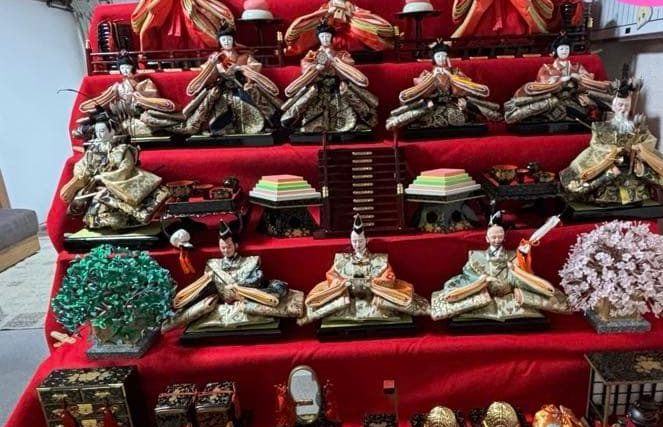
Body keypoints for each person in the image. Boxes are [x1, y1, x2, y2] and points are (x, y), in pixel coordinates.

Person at [164, 220, 304, 333]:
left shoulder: (250, 261)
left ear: (236, 245)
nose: (226, 250)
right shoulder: (213, 264)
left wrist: (241, 286)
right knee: (203, 308)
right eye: (223, 247)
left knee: (266, 306)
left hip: (246, 300)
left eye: (229, 247)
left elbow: (258, 279)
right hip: (221, 303)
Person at [560, 76, 663, 206]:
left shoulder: (637, 127)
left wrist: (638, 148)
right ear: (614, 107)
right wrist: (613, 151)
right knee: (587, 175)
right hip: (609, 165)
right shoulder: (601, 127)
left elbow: (648, 141)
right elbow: (596, 145)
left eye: (626, 106)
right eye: (620, 105)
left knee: (641, 174)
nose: (623, 109)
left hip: (631, 167)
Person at [430, 214, 569, 323]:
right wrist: (480, 280)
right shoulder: (476, 256)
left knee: (540, 298)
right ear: (487, 239)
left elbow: (525, 275)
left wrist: (517, 268)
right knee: (455, 296)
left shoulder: (512, 255)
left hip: (509, 296)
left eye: (499, 237)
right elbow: (467, 272)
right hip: (484, 292)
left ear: (504, 238)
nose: (497, 240)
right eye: (493, 237)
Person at [302, 214, 429, 326]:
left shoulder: (379, 260)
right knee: (333, 307)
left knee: (391, 306)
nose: (357, 245)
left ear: (366, 240)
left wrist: (375, 282)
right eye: (354, 241)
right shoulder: (342, 260)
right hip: (349, 299)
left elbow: (389, 276)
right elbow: (331, 274)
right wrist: (341, 283)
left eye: (360, 241)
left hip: (373, 299)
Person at [59, 115, 169, 232]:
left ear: (112, 131)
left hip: (118, 183)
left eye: (102, 131)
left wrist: (103, 177)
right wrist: (80, 175)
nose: (100, 134)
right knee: (89, 204)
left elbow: (125, 169)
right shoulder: (93, 150)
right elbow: (83, 164)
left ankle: (130, 219)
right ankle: (103, 222)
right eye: (97, 132)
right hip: (97, 185)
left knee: (117, 203)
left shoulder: (123, 149)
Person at [180, 23, 281, 136]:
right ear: (219, 41)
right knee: (212, 99)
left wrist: (240, 68)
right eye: (223, 40)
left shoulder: (244, 56)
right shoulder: (216, 57)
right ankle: (199, 125)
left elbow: (256, 65)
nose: (226, 42)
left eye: (229, 39)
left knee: (254, 96)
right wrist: (213, 65)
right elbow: (206, 71)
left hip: (240, 86)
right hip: (222, 88)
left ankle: (270, 123)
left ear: (233, 41)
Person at [280, 23, 379, 135]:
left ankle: (360, 119)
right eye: (322, 36)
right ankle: (298, 120)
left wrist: (334, 60)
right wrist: (316, 68)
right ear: (318, 38)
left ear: (332, 37)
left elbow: (349, 67)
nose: (325, 39)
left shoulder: (341, 54)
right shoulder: (312, 55)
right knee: (310, 99)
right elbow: (305, 66)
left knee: (347, 97)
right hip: (319, 87)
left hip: (337, 86)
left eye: (328, 36)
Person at [503, 35, 616, 128]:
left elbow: (587, 79)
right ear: (556, 51)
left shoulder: (576, 66)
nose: (564, 51)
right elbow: (543, 81)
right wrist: (560, 80)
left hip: (574, 97)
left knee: (591, 104)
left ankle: (604, 117)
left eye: (566, 48)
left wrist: (578, 78)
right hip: (555, 96)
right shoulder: (547, 68)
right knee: (551, 103)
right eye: (561, 49)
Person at [386, 42, 500, 131]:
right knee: (422, 115)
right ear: (434, 59)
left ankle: (495, 116)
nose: (442, 59)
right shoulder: (427, 74)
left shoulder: (455, 72)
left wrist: (452, 76)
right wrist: (431, 82)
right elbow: (421, 90)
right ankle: (395, 122)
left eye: (444, 56)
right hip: (433, 104)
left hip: (453, 103)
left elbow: (466, 86)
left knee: (466, 112)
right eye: (439, 56)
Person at [74, 54, 183, 139]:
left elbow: (154, 97)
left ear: (133, 68)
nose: (125, 70)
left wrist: (139, 98)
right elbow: (102, 101)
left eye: (127, 67)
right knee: (104, 122)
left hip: (140, 115)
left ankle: (177, 126)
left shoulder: (144, 83)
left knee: (152, 120)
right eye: (122, 68)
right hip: (121, 117)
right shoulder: (117, 87)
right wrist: (98, 106)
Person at [284, 0, 394, 55]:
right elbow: (319, 17)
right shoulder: (327, 6)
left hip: (349, 30)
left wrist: (349, 14)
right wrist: (328, 13)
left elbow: (358, 14)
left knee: (361, 37)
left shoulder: (349, 4)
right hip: (331, 32)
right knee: (326, 40)